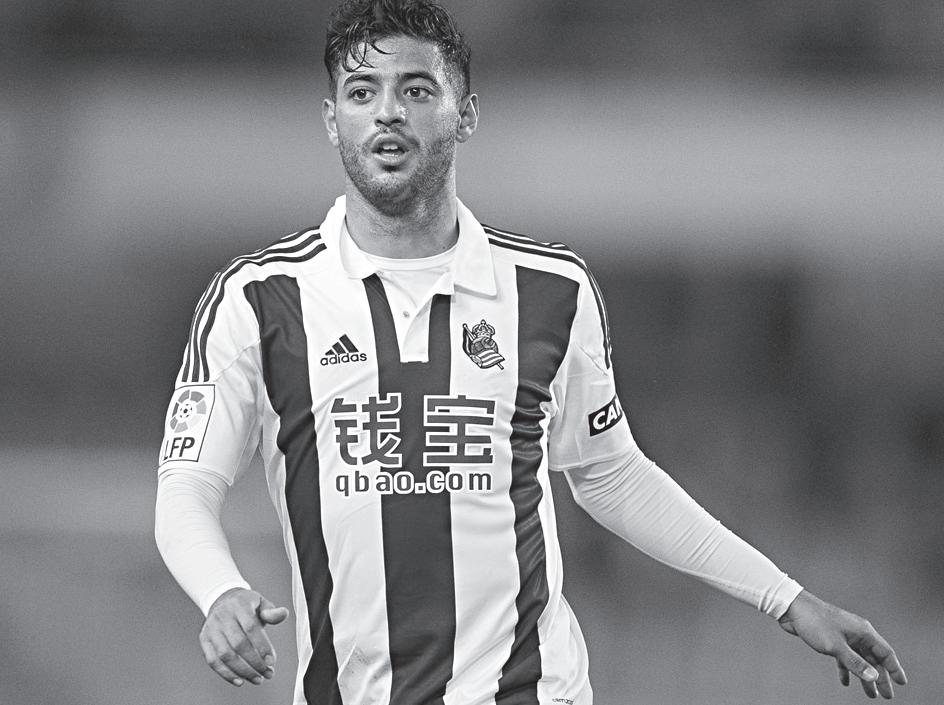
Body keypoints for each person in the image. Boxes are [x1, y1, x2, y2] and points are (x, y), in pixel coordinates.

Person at [154, 1, 908, 703]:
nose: (387, 111)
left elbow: (611, 473)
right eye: (361, 92)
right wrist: (220, 591)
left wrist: (786, 599)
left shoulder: (551, 291)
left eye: (417, 89)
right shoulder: (259, 300)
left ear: (466, 113)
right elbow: (187, 484)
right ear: (331, 120)